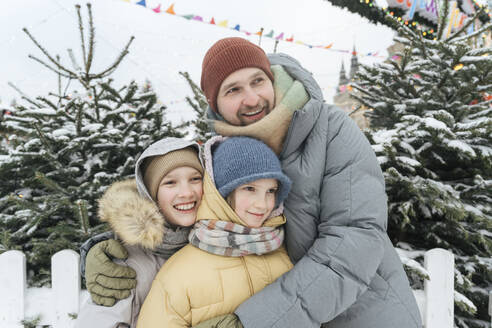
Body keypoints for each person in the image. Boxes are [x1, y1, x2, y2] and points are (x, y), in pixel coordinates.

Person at [83, 37, 423, 328]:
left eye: (257, 81)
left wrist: (252, 322)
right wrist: (119, 251)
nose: (251, 99)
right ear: (214, 104)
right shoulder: (223, 153)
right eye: (233, 90)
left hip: (363, 315)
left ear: (272, 80)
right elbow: (191, 215)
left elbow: (353, 241)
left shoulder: (330, 130)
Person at [136, 136, 293, 327]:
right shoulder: (176, 274)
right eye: (249, 188)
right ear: (222, 193)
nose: (262, 204)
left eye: (271, 191)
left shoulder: (285, 251)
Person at [75, 138, 204, 328]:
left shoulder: (218, 242)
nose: (186, 192)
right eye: (170, 182)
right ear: (151, 195)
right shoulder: (129, 261)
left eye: (195, 179)